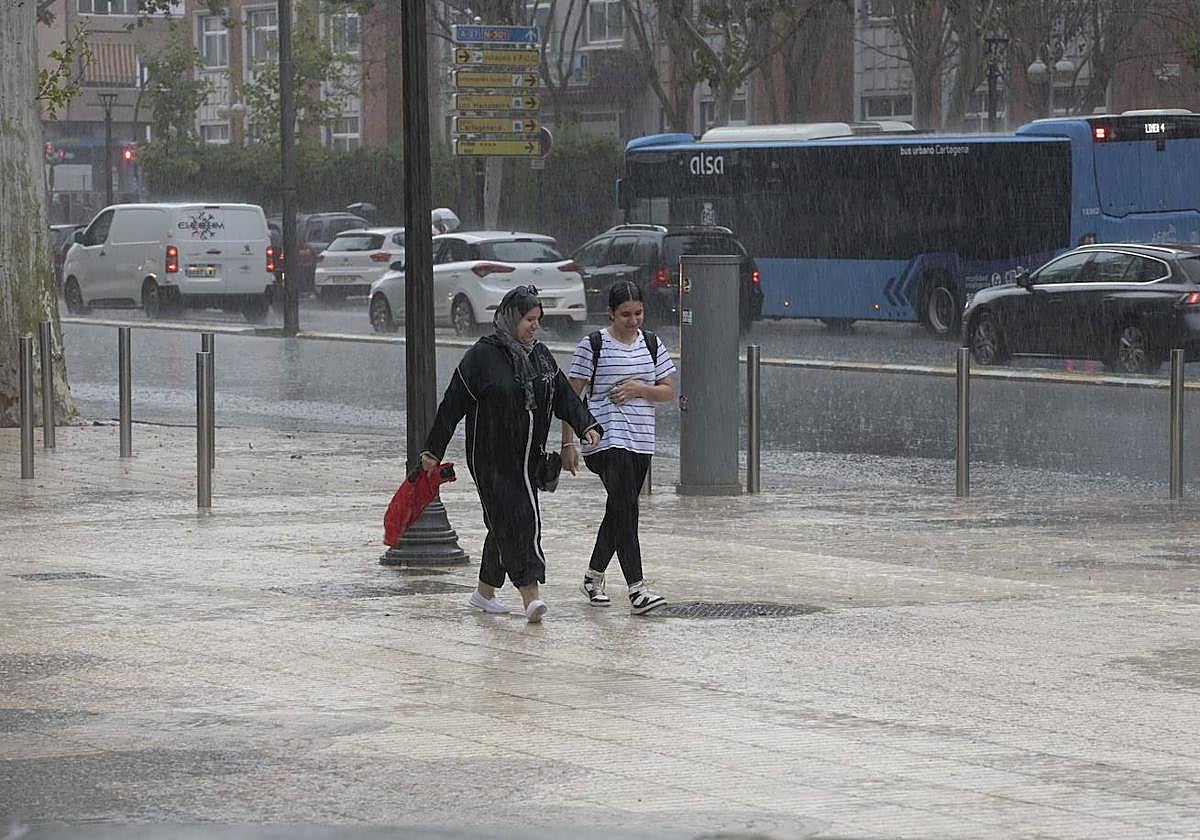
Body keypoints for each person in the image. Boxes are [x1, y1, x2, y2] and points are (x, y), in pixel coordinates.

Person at [420, 285, 602, 623]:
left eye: (538, 319)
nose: (534, 325)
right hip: (489, 458)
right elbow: (451, 405)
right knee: (522, 519)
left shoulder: (540, 356)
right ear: (510, 318)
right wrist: (433, 449)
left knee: (502, 523)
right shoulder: (482, 357)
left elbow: (563, 395)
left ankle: (484, 592)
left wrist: (585, 426)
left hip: (526, 460)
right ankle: (530, 595)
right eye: (528, 319)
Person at [561, 282, 677, 615]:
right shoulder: (593, 345)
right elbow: (569, 398)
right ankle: (637, 589)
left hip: (641, 439)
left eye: (638, 313)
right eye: (625, 314)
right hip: (604, 439)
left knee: (620, 508)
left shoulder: (652, 344)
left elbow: (667, 391)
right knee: (627, 509)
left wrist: (640, 389)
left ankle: (593, 576)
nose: (633, 320)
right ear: (611, 313)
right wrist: (568, 442)